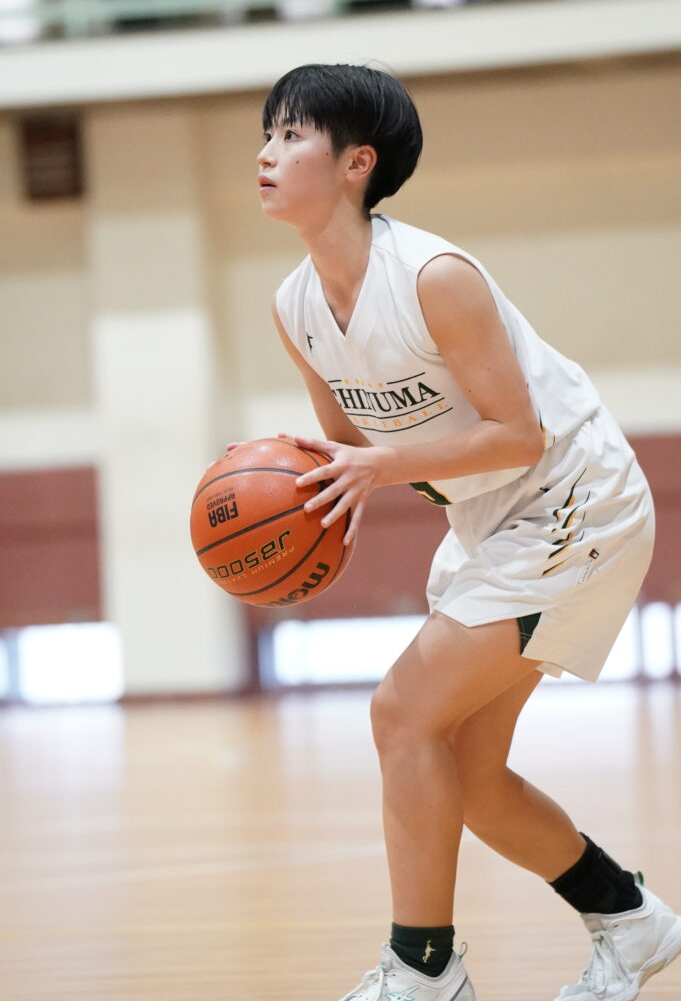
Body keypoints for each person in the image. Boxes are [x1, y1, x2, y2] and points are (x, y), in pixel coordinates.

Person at [256, 62, 681, 1001]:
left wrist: (374, 468)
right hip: (492, 518)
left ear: (358, 162)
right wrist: (300, 502)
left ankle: (424, 969)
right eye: (268, 134)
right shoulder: (295, 306)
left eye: (291, 135)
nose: (267, 153)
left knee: (399, 712)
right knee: (463, 769)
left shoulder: (434, 277)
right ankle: (631, 921)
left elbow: (517, 434)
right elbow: (350, 449)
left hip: (572, 496)